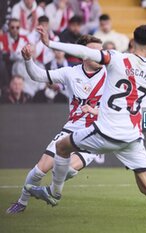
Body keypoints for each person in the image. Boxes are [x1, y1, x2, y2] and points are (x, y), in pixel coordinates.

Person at [25, 24, 146, 218]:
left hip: (105, 131)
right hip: (133, 138)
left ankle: (54, 192)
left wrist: (50, 43)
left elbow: (84, 51)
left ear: (133, 40)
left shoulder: (117, 58)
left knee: (62, 146)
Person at [5, 35, 105, 214]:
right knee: (39, 170)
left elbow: (123, 106)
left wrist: (98, 111)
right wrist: (28, 60)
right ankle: (22, 202)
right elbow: (38, 75)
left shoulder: (111, 74)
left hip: (96, 133)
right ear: (83, 55)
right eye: (95, 52)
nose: (101, 55)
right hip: (72, 129)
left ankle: (51, 193)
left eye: (101, 51)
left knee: (65, 171)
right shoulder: (70, 73)